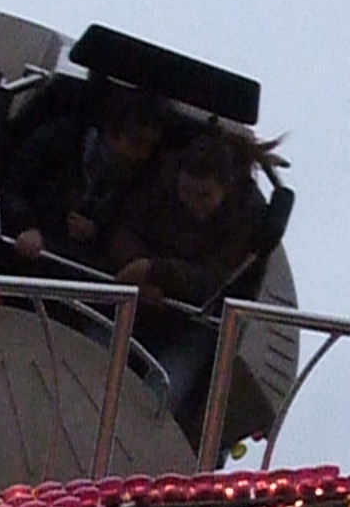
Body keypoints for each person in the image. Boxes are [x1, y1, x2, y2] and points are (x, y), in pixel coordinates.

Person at [106, 128, 282, 443]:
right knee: (95, 355)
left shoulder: (247, 215)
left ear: (225, 189)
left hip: (194, 319)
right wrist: (136, 270)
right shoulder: (159, 179)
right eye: (186, 193)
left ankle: (131, 445)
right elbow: (123, 228)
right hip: (136, 300)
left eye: (203, 197)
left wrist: (156, 271)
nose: (192, 204)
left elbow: (216, 278)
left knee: (162, 391)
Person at [0, 87, 167, 266]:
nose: (144, 155)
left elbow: (127, 230)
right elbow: (9, 185)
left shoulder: (143, 177)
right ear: (111, 132)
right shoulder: (57, 141)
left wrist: (96, 233)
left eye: (150, 147)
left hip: (79, 266)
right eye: (137, 144)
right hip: (22, 247)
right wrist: (26, 225)